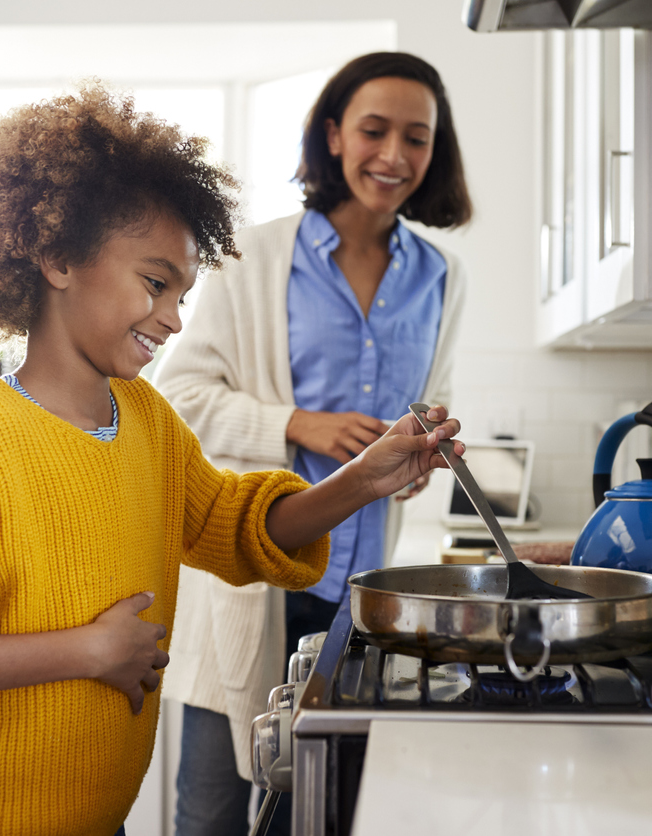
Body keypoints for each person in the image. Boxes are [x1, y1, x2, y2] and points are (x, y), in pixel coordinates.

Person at [0, 82, 463, 836]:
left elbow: (234, 527)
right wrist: (86, 650)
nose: (174, 318)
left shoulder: (147, 421)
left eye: (181, 292)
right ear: (58, 258)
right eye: (155, 283)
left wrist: (363, 479)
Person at [155, 52, 472, 836]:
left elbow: (430, 404)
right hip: (247, 588)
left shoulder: (443, 278)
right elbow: (177, 397)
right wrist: (295, 425)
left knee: (332, 815)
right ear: (334, 135)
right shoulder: (249, 259)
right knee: (215, 817)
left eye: (417, 138)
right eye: (374, 130)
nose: (394, 156)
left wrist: (417, 458)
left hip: (362, 605)